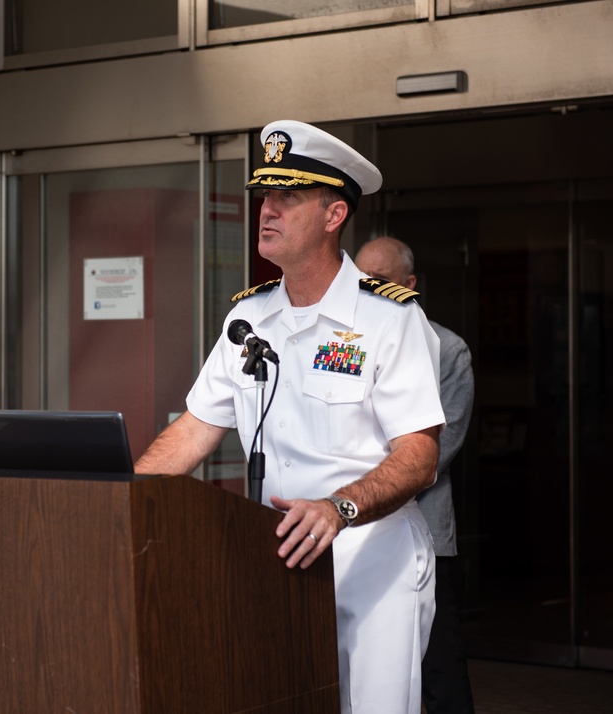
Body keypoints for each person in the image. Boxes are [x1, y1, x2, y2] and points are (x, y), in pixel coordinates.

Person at [134, 120, 445, 714]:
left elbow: (419, 456)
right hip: (275, 560)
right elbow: (194, 430)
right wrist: (122, 500)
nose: (267, 211)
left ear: (333, 216)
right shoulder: (249, 319)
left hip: (370, 564)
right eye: (265, 197)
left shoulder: (389, 319)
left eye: (287, 197)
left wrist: (338, 508)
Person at [355, 236, 476, 714]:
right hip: (348, 532)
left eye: (379, 281)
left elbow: (437, 450)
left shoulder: (446, 350)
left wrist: (356, 476)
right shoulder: (343, 342)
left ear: (409, 286)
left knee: (437, 669)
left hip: (421, 527)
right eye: (360, 279)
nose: (366, 290)